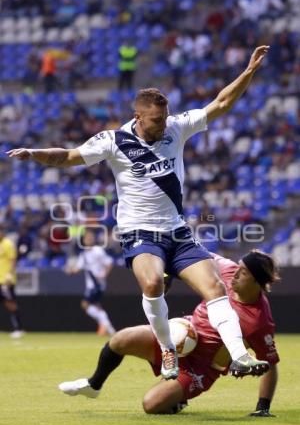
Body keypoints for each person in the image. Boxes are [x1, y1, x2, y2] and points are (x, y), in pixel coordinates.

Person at [7, 45, 270, 381]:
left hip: (177, 232)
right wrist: (34, 152)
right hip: (139, 233)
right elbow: (70, 156)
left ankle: (239, 356)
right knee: (151, 283)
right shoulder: (113, 141)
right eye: (157, 120)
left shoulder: (176, 127)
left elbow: (220, 103)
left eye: (165, 117)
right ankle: (167, 349)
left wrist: (248, 72)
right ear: (139, 116)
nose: (163, 125)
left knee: (216, 288)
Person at [59, 250, 280, 416]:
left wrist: (263, 407)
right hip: (181, 335)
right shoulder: (228, 269)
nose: (236, 274)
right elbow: (195, 254)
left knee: (151, 405)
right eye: (239, 267)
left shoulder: (259, 321)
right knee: (121, 339)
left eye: (244, 272)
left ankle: (179, 399)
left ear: (258, 282)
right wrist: (168, 272)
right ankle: (94, 384)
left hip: (199, 368)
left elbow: (270, 363)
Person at [67, 230, 115, 336]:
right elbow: (78, 268)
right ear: (84, 240)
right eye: (87, 238)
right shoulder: (84, 254)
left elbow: (109, 262)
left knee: (85, 304)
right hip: (90, 285)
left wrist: (104, 274)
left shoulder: (98, 250)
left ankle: (105, 325)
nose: (89, 239)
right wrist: (71, 271)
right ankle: (108, 328)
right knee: (96, 306)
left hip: (97, 284)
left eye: (91, 237)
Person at [0, 224, 25, 339]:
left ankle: (18, 328)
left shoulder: (8, 244)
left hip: (5, 280)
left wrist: (9, 275)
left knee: (10, 303)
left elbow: (13, 260)